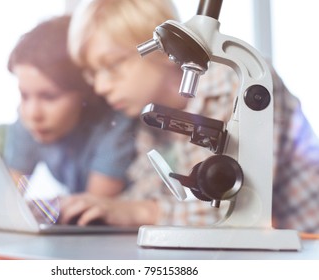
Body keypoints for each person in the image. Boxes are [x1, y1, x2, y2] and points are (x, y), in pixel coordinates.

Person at [58, 0, 319, 233]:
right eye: (92, 73)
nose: (101, 87)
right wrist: (100, 207)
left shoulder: (234, 83)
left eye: (112, 65)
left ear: (160, 46)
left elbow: (232, 206)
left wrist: (137, 212)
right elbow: (149, 193)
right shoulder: (150, 121)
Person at [4, 15, 136, 201]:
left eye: (49, 97)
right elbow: (8, 199)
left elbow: (91, 209)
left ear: (86, 90)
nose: (33, 113)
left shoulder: (114, 124)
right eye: (24, 95)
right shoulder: (28, 121)